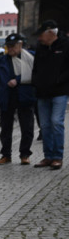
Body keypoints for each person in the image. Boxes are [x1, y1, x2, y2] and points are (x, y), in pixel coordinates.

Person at [0, 33, 35, 166]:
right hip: (7, 98)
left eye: (13, 46)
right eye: (8, 46)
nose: (10, 49)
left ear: (20, 45)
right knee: (5, 128)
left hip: (25, 97)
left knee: (27, 127)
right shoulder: (2, 61)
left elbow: (34, 74)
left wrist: (18, 80)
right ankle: (6, 155)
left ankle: (25, 154)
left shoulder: (30, 57)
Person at [31, 20, 69, 169]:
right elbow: (36, 68)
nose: (39, 38)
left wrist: (59, 80)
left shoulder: (65, 45)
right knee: (45, 125)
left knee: (56, 122)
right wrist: (36, 82)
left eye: (42, 35)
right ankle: (48, 156)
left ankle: (57, 156)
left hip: (59, 91)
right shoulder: (41, 48)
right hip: (42, 93)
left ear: (51, 33)